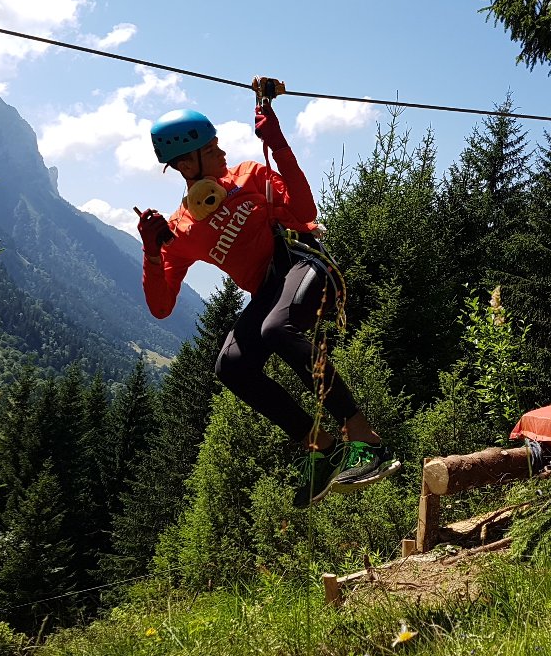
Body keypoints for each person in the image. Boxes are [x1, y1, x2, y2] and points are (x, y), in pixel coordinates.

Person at [136, 78, 400, 508]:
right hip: (267, 291)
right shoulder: (182, 230)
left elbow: (304, 212)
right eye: (211, 146)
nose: (222, 150)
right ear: (187, 165)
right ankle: (323, 447)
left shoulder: (249, 177)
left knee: (278, 328)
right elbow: (161, 306)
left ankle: (364, 438)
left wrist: (276, 141)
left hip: (303, 264)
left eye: (218, 143)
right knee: (231, 366)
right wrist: (151, 251)